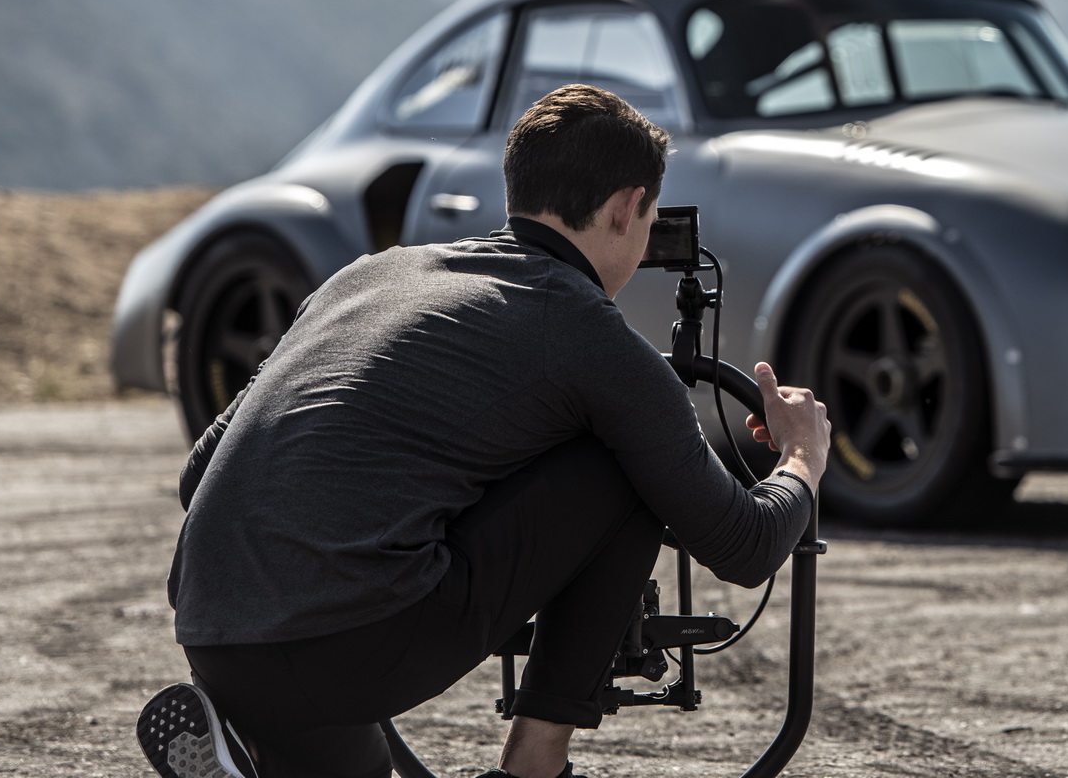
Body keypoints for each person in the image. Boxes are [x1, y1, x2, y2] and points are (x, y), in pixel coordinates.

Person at [136, 84, 831, 778]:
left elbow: (202, 470)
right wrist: (802, 454)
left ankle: (242, 752)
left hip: (214, 631)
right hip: (349, 647)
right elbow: (743, 547)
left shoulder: (367, 277)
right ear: (628, 209)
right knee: (618, 462)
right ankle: (533, 763)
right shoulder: (587, 331)